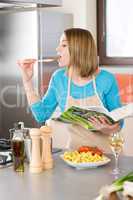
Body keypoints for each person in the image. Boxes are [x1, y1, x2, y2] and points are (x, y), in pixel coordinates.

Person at [18, 28, 123, 152]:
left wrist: (105, 128)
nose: (57, 49)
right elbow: (41, 115)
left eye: (63, 45)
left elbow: (119, 123)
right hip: (75, 155)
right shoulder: (58, 78)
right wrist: (27, 81)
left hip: (108, 155)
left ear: (79, 49)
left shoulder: (106, 79)